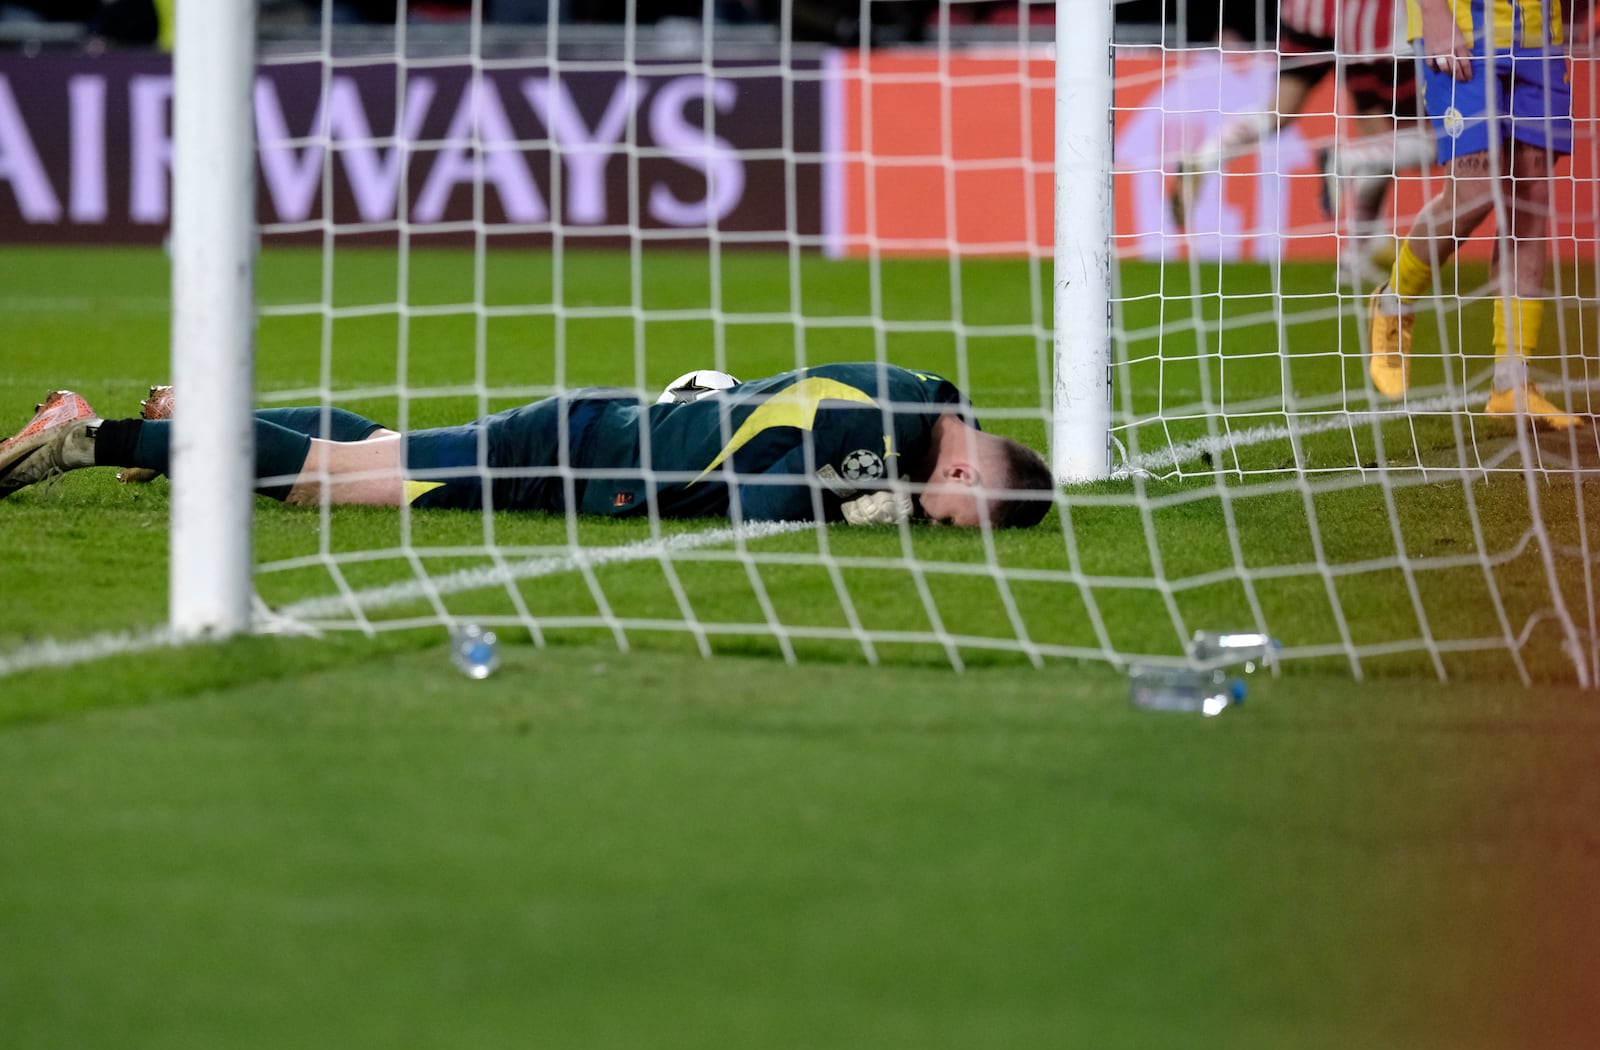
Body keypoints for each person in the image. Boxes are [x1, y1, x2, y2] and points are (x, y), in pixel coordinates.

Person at [0, 363, 1055, 529]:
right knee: (348, 485)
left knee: (390, 445)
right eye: (941, 513)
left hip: (597, 427)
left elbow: (763, 410)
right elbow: (754, 497)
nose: (923, 515)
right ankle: (93, 438)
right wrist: (839, 506)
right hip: (584, 453)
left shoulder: (917, 393)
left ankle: (189, 412)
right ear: (964, 470)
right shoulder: (888, 437)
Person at [1366, 0, 1580, 429]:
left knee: (1529, 203)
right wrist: (1433, 12)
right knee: (1474, 195)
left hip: (1541, 34)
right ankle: (1394, 299)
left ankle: (1510, 382)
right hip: (1463, 27)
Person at [1169, 0, 1436, 288]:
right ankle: (1355, 239)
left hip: (1309, 16)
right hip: (1368, 27)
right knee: (1401, 141)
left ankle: (1207, 155)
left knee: (1279, 110)